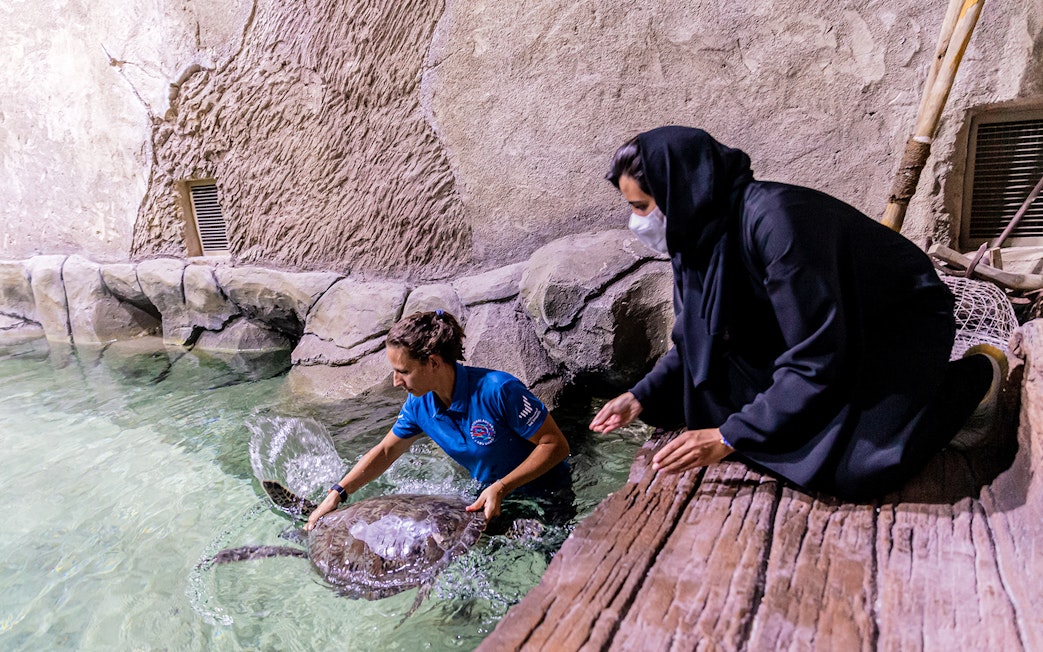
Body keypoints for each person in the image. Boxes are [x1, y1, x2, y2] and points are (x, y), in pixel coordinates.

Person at [589, 125, 1003, 501]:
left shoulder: (778, 223)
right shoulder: (697, 236)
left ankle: (975, 378)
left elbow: (818, 357)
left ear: (680, 191)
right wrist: (639, 395)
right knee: (701, 396)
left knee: (860, 470)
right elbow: (696, 338)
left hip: (892, 326)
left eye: (642, 206)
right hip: (824, 329)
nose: (636, 221)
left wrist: (729, 436)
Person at [306, 310, 571, 529]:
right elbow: (386, 451)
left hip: (545, 496)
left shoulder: (499, 390)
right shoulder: (419, 404)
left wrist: (502, 487)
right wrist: (337, 494)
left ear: (433, 363)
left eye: (403, 372)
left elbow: (556, 446)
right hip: (488, 499)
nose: (396, 381)